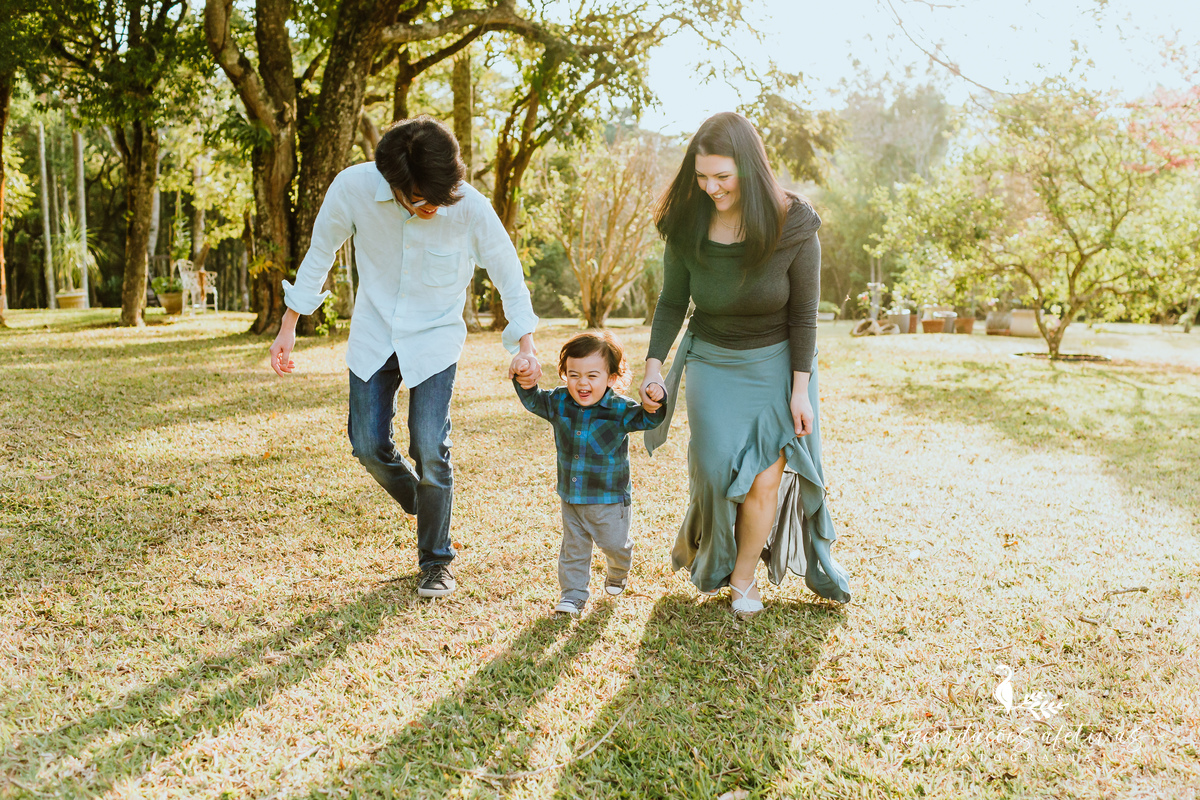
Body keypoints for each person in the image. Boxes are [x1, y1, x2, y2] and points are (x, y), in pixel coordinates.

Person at [269, 116, 543, 599]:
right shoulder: (352, 188)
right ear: (392, 183)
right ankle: (426, 504)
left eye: (441, 197)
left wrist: (526, 344)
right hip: (375, 331)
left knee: (430, 447)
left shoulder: (468, 205)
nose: (433, 207)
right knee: (366, 443)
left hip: (435, 338)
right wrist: (289, 324)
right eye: (420, 199)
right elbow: (320, 254)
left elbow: (507, 269)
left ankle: (437, 560)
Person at [640, 112, 851, 615]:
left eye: (722, 176)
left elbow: (803, 316)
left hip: (778, 364)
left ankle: (743, 578)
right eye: (701, 176)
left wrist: (799, 391)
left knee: (765, 479)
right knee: (713, 471)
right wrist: (652, 367)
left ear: (750, 169)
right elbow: (672, 301)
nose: (710, 187)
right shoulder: (687, 221)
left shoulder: (794, 222)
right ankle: (715, 554)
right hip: (713, 359)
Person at [514, 331, 666, 616]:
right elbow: (534, 399)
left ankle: (618, 569)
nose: (582, 383)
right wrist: (525, 380)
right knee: (573, 549)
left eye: (592, 376)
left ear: (610, 378)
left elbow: (648, 417)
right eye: (574, 375)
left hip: (608, 499)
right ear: (565, 375)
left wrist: (653, 401)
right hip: (572, 497)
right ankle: (573, 594)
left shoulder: (619, 409)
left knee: (614, 545)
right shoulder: (559, 402)